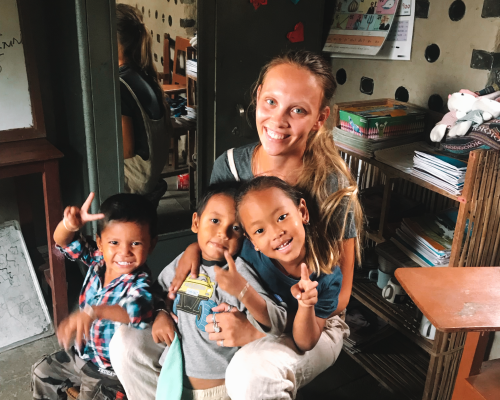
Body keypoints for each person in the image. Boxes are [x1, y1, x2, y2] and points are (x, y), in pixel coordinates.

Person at [110, 50, 363, 399]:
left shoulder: (332, 186)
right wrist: (194, 249)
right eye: (271, 101)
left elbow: (339, 298)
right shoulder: (229, 166)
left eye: (298, 110)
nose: (278, 120)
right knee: (128, 343)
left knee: (251, 372)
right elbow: (216, 234)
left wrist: (260, 329)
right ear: (257, 96)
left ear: (320, 119)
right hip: (234, 296)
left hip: (310, 316)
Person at [147, 183, 287, 400]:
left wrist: (242, 291)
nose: (223, 233)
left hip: (219, 391)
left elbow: (275, 319)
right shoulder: (181, 265)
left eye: (236, 228)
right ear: (196, 222)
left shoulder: (238, 273)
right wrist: (160, 313)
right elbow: (154, 294)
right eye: (215, 221)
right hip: (173, 381)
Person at [31, 192, 157, 400]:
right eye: (114, 243)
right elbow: (62, 242)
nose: (124, 252)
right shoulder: (99, 260)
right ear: (100, 243)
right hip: (83, 356)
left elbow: (138, 311)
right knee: (41, 372)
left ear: (151, 244)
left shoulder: (140, 281)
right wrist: (69, 226)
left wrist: (95, 311)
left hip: (110, 372)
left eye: (135, 243)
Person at [117, 4, 170, 206]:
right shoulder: (142, 74)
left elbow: (127, 150)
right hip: (151, 177)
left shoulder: (120, 85)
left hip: (135, 184)